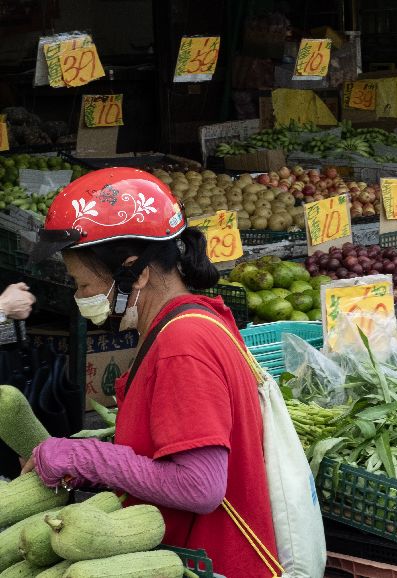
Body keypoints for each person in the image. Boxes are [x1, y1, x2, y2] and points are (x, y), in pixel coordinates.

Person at [21, 168, 278, 578]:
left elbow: (200, 486)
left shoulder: (183, 345)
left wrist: (81, 455)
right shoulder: (190, 321)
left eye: (84, 285)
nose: (79, 298)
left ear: (135, 272)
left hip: (212, 563)